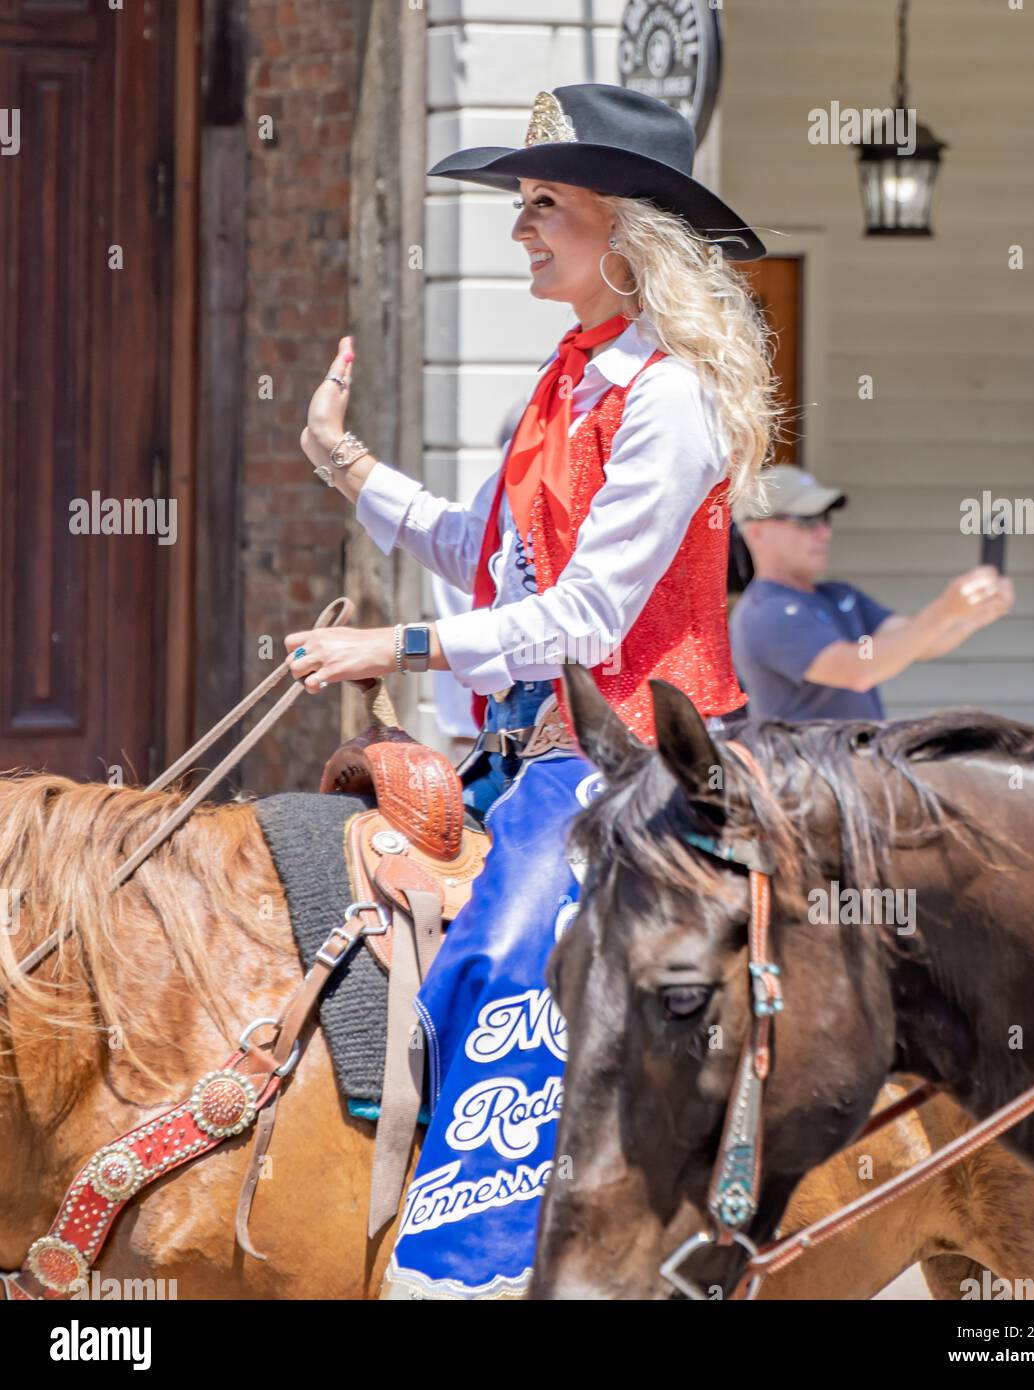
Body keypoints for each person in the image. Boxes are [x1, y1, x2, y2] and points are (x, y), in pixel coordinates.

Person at [289, 83, 776, 1298]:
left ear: (629, 230)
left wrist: (390, 649)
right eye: (522, 205)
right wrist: (347, 468)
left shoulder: (666, 398)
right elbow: (491, 553)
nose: (520, 230)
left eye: (543, 205)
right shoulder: (568, 379)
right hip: (544, 749)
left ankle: (478, 1271)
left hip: (640, 759)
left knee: (503, 951)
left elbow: (584, 620)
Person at [729, 464, 1015, 721]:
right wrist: (946, 609)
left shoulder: (839, 595)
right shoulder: (764, 611)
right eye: (807, 521)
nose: (824, 532)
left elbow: (919, 642)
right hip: (805, 778)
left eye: (825, 518)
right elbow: (857, 671)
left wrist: (975, 613)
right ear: (757, 533)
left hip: (853, 775)